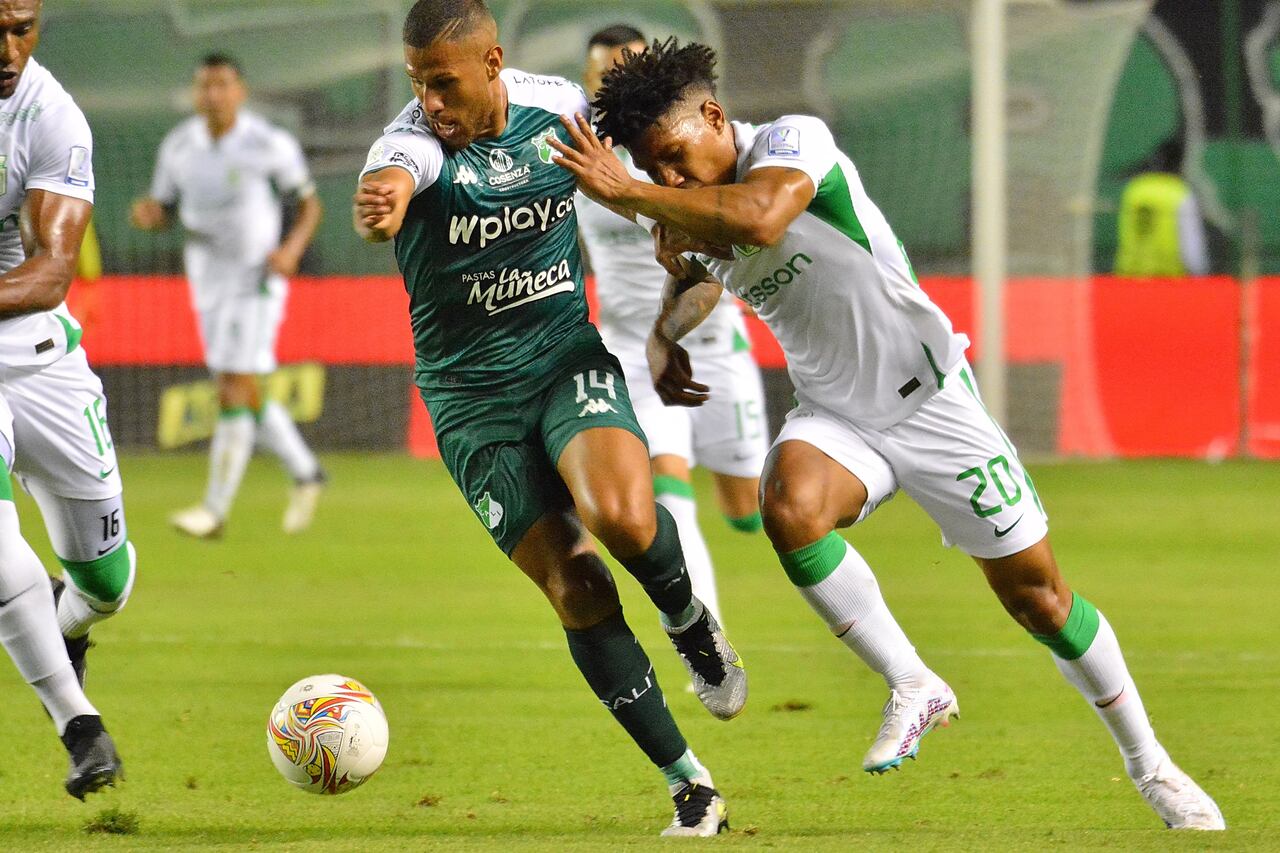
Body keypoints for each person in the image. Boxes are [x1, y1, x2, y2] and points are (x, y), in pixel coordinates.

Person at [552, 37, 1226, 830]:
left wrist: (634, 194)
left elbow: (760, 220)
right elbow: (699, 268)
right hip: (838, 415)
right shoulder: (683, 204)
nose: (667, 177)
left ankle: (1152, 765)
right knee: (788, 506)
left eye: (672, 156)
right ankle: (913, 680)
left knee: (1040, 598)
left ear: (713, 115)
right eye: (651, 166)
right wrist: (668, 330)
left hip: (934, 402)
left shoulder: (790, 143)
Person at [351, 1, 743, 837]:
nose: (432, 104)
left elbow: (631, 193)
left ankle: (689, 619)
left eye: (446, 85)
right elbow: (395, 170)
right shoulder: (410, 142)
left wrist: (669, 236)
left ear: (492, 65)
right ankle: (690, 780)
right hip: (470, 404)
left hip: (563, 359)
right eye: (418, 84)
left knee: (623, 515)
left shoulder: (557, 110)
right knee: (577, 582)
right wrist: (382, 196)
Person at [577, 25, 767, 629]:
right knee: (668, 483)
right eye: (600, 71)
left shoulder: (671, 165)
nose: (609, 82)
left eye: (622, 70)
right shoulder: (576, 160)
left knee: (750, 511)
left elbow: (711, 269)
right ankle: (707, 639)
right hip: (631, 351)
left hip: (712, 342)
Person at [0, 0, 125, 797]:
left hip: (42, 361)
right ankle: (80, 727)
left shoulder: (51, 114)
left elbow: (51, 273)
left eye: (22, 27)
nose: (8, 48)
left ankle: (56, 614)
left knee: (107, 585)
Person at [131, 53, 325, 539]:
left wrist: (291, 250)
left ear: (240, 90)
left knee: (233, 387)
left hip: (255, 278)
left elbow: (309, 204)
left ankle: (214, 511)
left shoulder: (267, 143)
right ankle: (306, 474)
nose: (212, 95)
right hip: (206, 281)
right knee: (247, 387)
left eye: (222, 85)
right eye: (204, 86)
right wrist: (156, 216)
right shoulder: (178, 146)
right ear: (196, 93)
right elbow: (168, 207)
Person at [1114, 137, 1209, 277]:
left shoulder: (1134, 189)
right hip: (1168, 279)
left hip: (1130, 277)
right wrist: (1200, 274)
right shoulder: (1178, 192)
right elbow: (1191, 244)